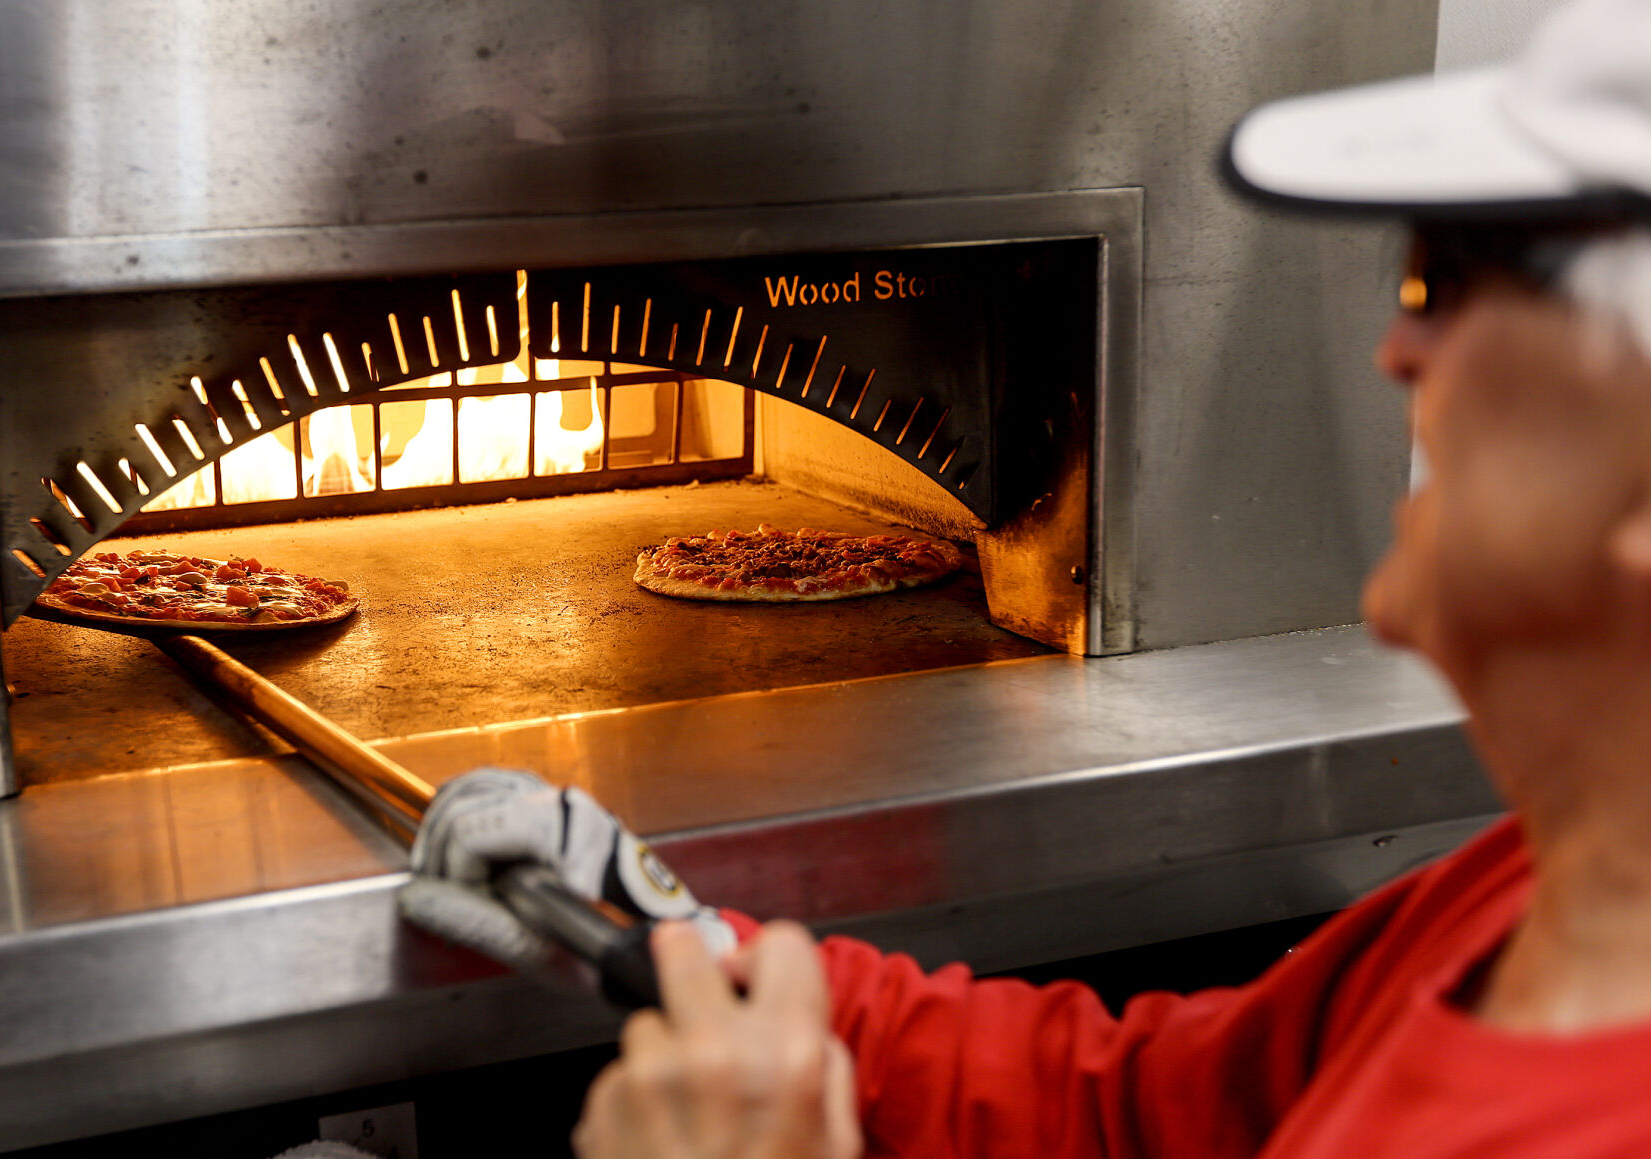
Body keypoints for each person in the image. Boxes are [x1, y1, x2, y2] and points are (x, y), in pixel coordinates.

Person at [400, 0, 1651, 1153]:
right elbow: (1142, 1105)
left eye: (1459, 274)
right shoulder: (1528, 896)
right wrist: (685, 942)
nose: (1394, 343)